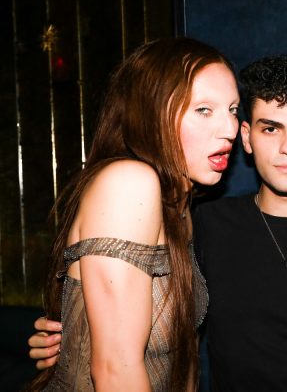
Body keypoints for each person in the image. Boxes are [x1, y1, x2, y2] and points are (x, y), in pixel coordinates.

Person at [29, 54, 287, 392]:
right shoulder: (206, 222)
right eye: (270, 128)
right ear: (247, 137)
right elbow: (117, 353)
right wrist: (75, 332)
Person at [27, 37, 239, 391]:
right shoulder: (129, 183)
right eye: (204, 110)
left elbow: (181, 359)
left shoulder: (181, 204)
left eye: (232, 109)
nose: (230, 129)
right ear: (151, 114)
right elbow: (115, 371)